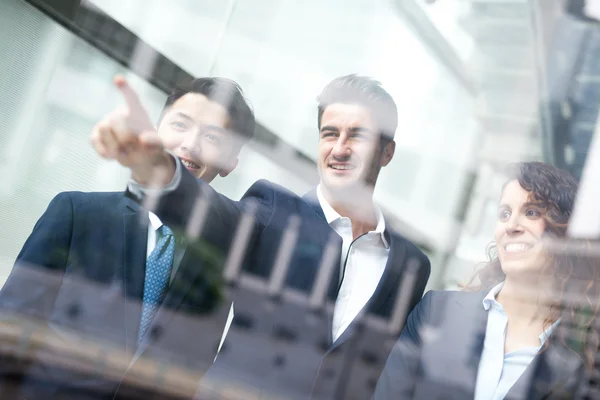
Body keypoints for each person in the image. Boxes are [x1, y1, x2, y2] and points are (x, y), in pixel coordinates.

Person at [91, 74, 431, 399]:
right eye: (330, 134)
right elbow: (204, 210)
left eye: (357, 135)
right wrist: (153, 164)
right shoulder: (273, 211)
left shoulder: (409, 264)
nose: (340, 149)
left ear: (387, 152)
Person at [0, 76, 255, 398]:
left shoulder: (230, 251)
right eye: (180, 125)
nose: (191, 144)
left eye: (212, 137)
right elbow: (11, 326)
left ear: (231, 162)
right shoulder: (78, 213)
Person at [373, 161, 599, 399]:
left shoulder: (582, 354)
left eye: (531, 212)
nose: (511, 226)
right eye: (504, 214)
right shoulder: (437, 311)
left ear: (565, 233)